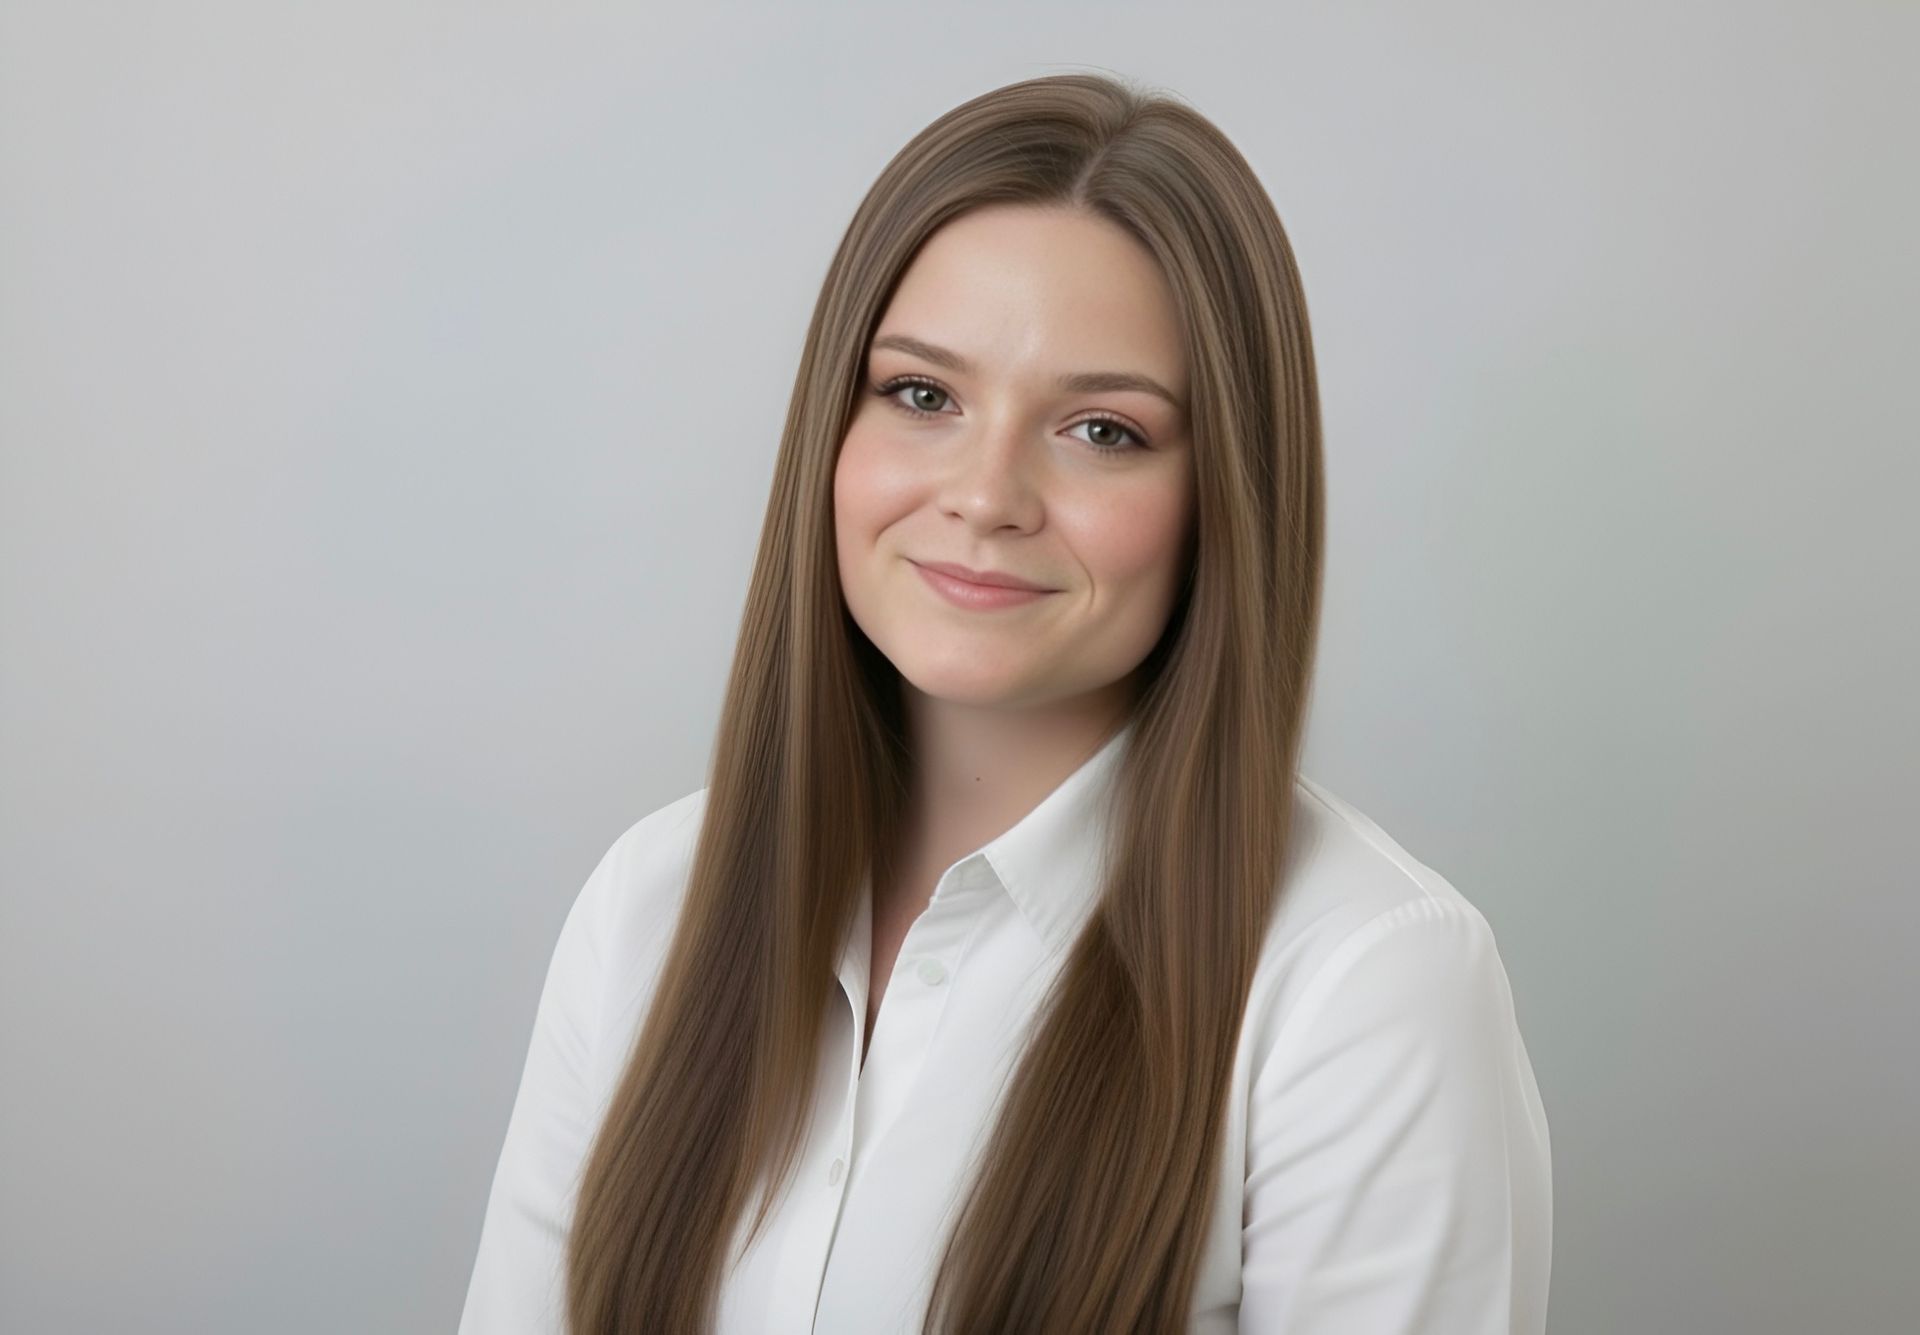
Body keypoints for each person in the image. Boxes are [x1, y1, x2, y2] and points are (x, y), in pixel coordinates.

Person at [457, 70, 1552, 1335]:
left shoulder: (1367, 982)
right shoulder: (649, 905)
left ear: (1225, 499)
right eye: (923, 396)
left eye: (1101, 430)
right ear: (834, 427)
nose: (986, 495)